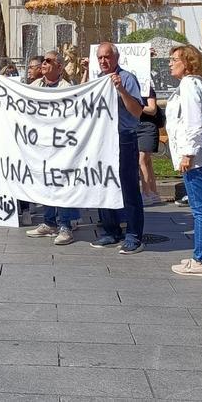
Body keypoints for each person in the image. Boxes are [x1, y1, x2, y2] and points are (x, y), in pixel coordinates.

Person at [84, 43, 147, 254]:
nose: (103, 61)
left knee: (129, 188)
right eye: (100, 57)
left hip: (124, 139)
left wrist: (121, 90)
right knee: (104, 184)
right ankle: (110, 230)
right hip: (102, 141)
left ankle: (134, 235)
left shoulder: (127, 78)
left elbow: (138, 111)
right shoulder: (97, 81)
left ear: (116, 58)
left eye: (107, 57)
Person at [166, 45, 202, 276]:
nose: (169, 63)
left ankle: (200, 259)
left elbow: (193, 122)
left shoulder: (188, 85)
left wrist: (187, 153)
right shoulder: (201, 84)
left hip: (194, 156)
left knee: (200, 209)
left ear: (187, 62)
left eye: (174, 59)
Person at [24, 51, 78, 245]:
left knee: (60, 184)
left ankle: (65, 226)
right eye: (43, 61)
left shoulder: (66, 88)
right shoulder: (35, 86)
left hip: (61, 144)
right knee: (45, 182)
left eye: (48, 61)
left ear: (59, 67)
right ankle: (49, 223)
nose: (44, 64)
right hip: (41, 143)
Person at [136, 85, 162, 206]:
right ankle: (153, 192)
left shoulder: (147, 89)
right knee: (146, 161)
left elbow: (152, 109)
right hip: (136, 125)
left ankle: (146, 193)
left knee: (141, 159)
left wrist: (138, 105)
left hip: (147, 126)